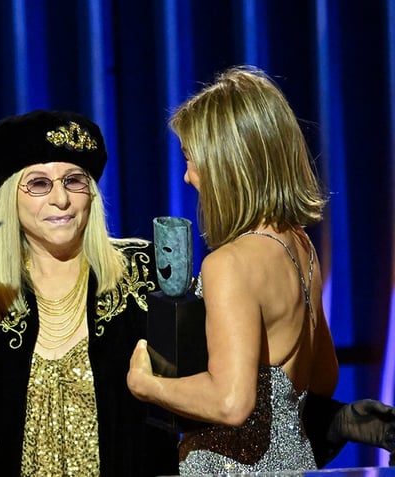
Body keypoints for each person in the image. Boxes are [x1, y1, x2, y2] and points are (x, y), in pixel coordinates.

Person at [0, 109, 182, 476]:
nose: (60, 199)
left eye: (74, 180)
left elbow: (192, 398)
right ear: (9, 197)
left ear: (91, 195)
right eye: (39, 184)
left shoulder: (143, 272)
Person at [126, 65, 343, 473]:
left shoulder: (229, 264)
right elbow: (324, 378)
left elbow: (230, 402)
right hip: (295, 464)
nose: (187, 177)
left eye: (191, 159)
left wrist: (148, 385)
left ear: (228, 164)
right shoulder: (299, 245)